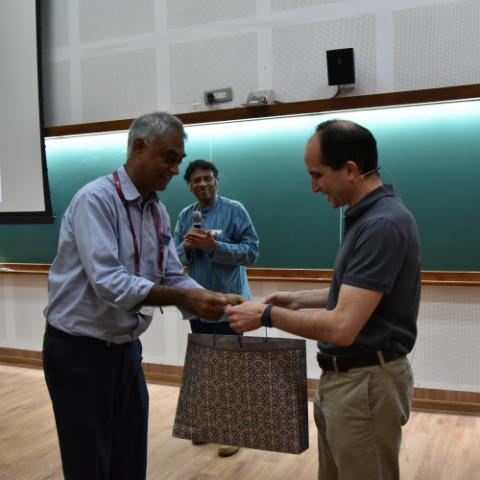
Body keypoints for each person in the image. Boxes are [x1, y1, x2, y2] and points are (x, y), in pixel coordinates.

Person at [43, 112, 243, 480]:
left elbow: (171, 273)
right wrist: (187, 299)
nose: (176, 170)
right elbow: (110, 282)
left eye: (179, 160)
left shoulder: (158, 211)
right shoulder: (96, 200)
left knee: (130, 461)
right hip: (79, 353)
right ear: (138, 147)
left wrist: (211, 298)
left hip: (126, 351)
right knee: (89, 466)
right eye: (169, 158)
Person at [226, 119, 421, 480]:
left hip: (364, 387)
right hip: (350, 383)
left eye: (317, 175)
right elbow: (360, 295)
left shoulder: (381, 224)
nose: (314, 187)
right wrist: (296, 300)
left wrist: (267, 315)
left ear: (351, 170)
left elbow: (343, 326)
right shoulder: (369, 217)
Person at [174, 159, 259, 457]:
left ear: (216, 181)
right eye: (196, 180)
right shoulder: (185, 216)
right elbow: (171, 257)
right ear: (189, 186)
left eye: (207, 178)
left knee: (230, 369)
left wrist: (216, 247)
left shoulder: (235, 210)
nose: (202, 184)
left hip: (230, 305)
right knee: (205, 367)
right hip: (198, 304)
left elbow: (252, 251)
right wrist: (185, 247)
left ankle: (232, 431)